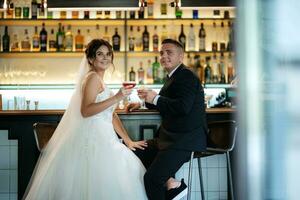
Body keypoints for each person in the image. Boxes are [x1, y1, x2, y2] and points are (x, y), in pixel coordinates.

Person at [23, 39, 148, 200]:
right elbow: (86, 111)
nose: (105, 58)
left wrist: (128, 140)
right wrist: (116, 97)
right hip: (94, 139)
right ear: (91, 59)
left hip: (106, 137)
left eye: (108, 54)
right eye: (100, 54)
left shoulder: (99, 79)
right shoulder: (92, 78)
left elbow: (110, 114)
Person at [127, 39, 207, 200]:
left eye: (169, 52)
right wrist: (143, 103)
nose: (164, 56)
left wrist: (155, 98)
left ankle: (170, 183)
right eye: (161, 53)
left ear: (181, 56)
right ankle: (172, 183)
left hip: (184, 140)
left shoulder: (186, 75)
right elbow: (167, 104)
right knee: (135, 150)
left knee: (152, 180)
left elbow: (183, 107)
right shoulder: (173, 76)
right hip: (169, 138)